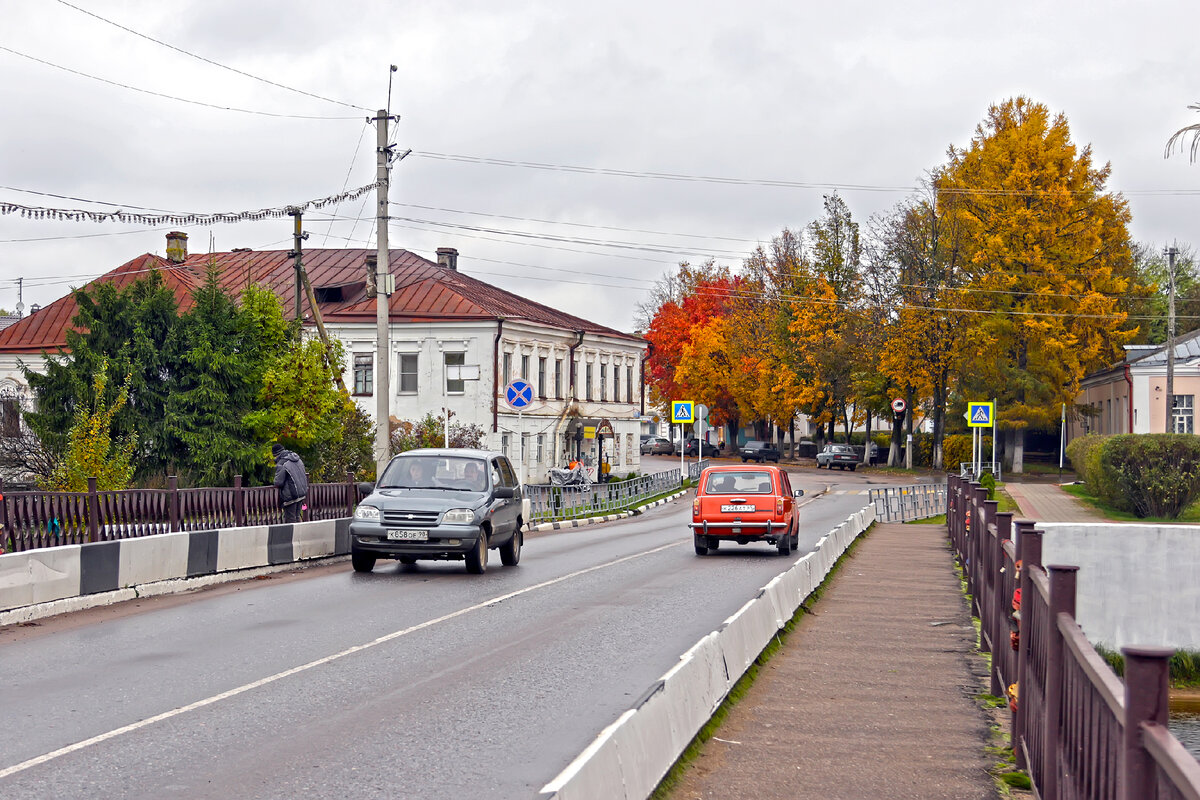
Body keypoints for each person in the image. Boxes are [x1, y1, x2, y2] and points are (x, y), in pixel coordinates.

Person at [272, 443, 308, 523]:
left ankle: (294, 535)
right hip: (301, 493)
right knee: (297, 516)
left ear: (275, 454)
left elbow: (278, 482)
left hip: (291, 495)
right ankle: (300, 534)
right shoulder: (297, 459)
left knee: (290, 519)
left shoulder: (282, 463)